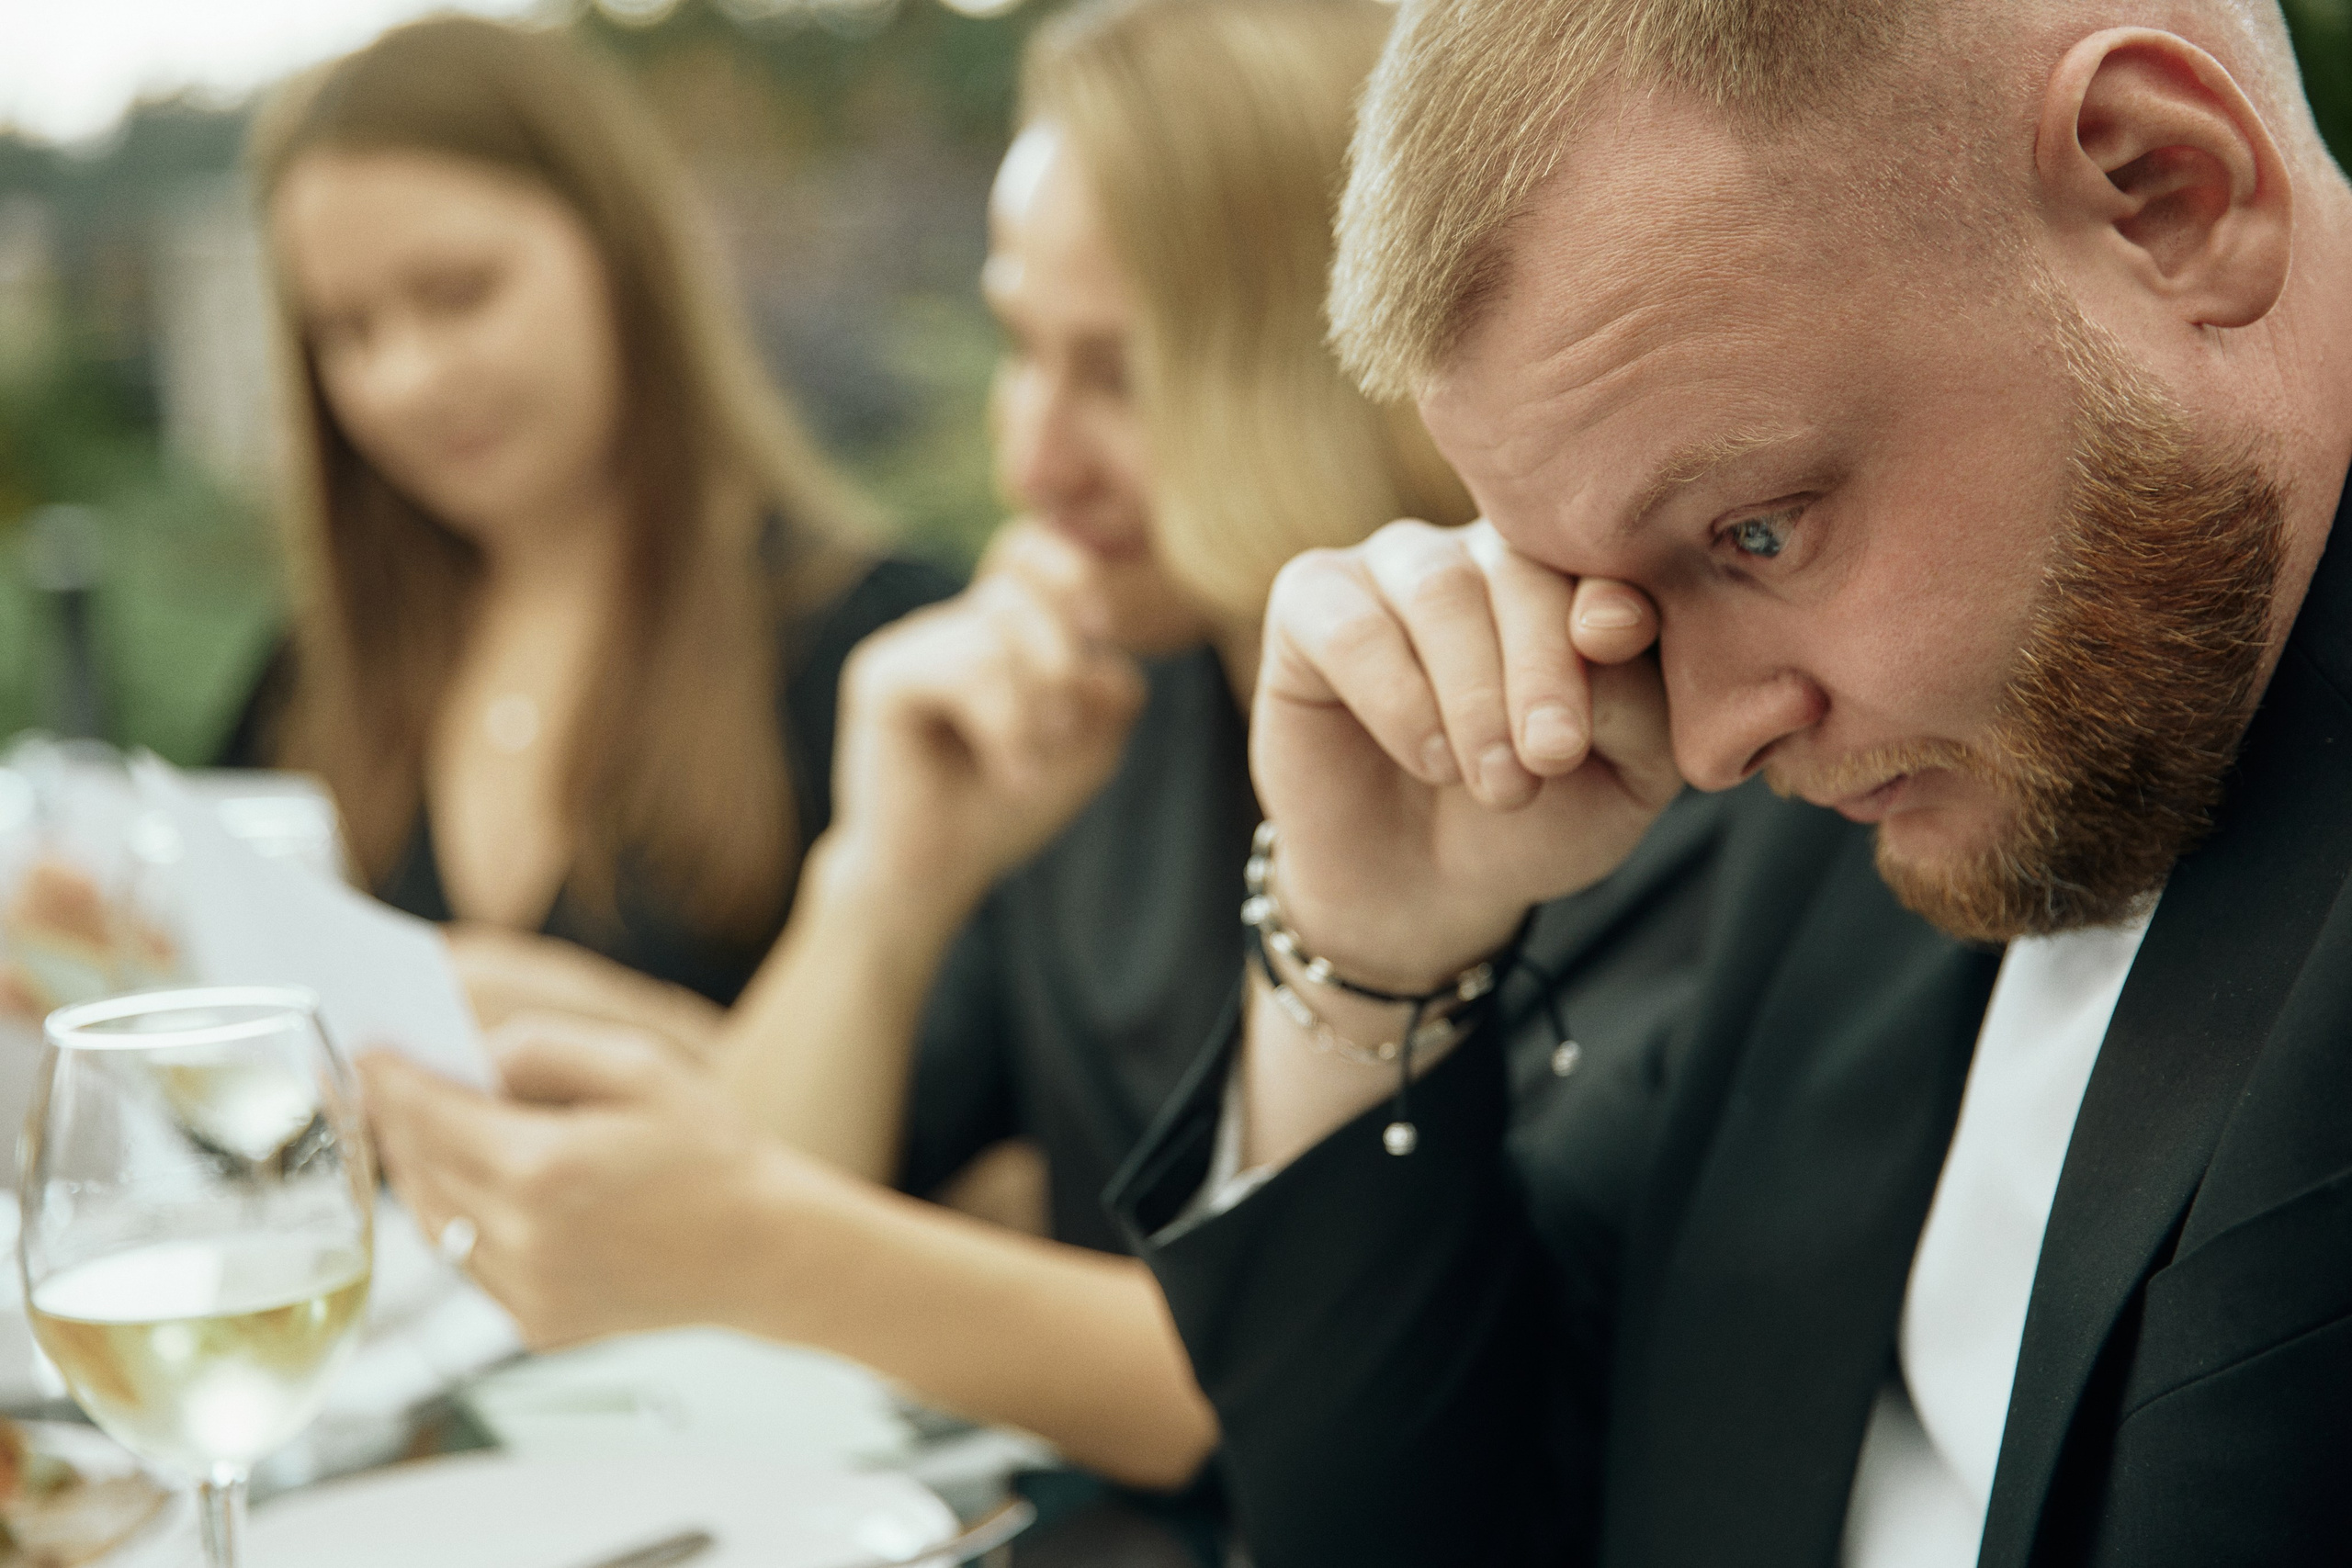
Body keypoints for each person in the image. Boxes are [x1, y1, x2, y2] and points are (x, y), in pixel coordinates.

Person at [355, 0, 1733, 1526]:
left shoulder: (1591, 773)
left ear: (1340, 353)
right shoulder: (1104, 721)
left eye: (1116, 374)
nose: (1028, 457)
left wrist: (766, 1244)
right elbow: (734, 1212)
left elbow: (1360, 1388)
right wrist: (880, 884)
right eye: (1021, 347)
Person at [1102, 0, 2352, 1563]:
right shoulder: (1888, 808)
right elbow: (1440, 1522)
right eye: (1603, 588)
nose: (1705, 743)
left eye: (1756, 530)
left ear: (2169, 194)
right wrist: (1372, 945)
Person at [221, 17, 953, 1008]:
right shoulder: (312, 677)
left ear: (619, 251)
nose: (405, 381)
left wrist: (551, 1013)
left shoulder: (878, 653)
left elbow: (985, 1148)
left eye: (459, 294)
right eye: (345, 332)